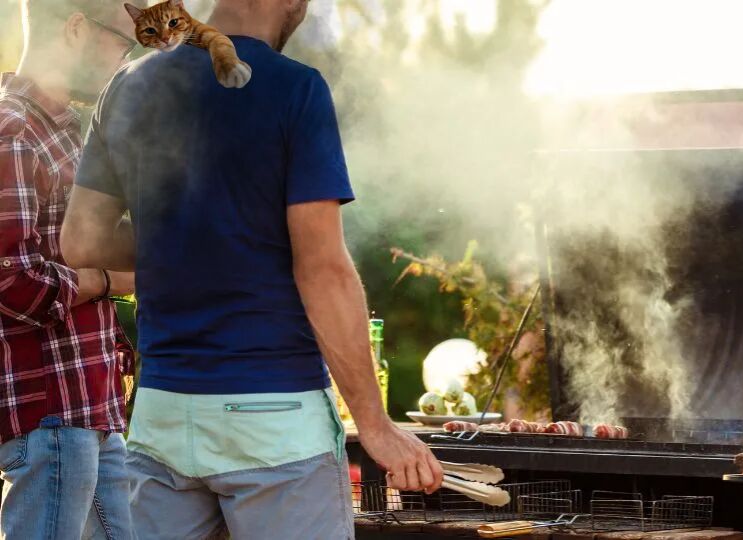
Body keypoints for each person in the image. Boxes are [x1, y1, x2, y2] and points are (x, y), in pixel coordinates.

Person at [61, 0, 442, 537]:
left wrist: (185, 240)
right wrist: (375, 426)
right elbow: (323, 270)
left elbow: (82, 240)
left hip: (163, 414)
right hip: (276, 421)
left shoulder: (127, 84)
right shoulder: (294, 88)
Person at [0, 1, 139, 538]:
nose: (126, 61)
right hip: (52, 418)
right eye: (123, 43)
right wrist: (107, 281)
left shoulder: (66, 129)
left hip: (93, 409)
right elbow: (10, 280)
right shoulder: (15, 130)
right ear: (77, 27)